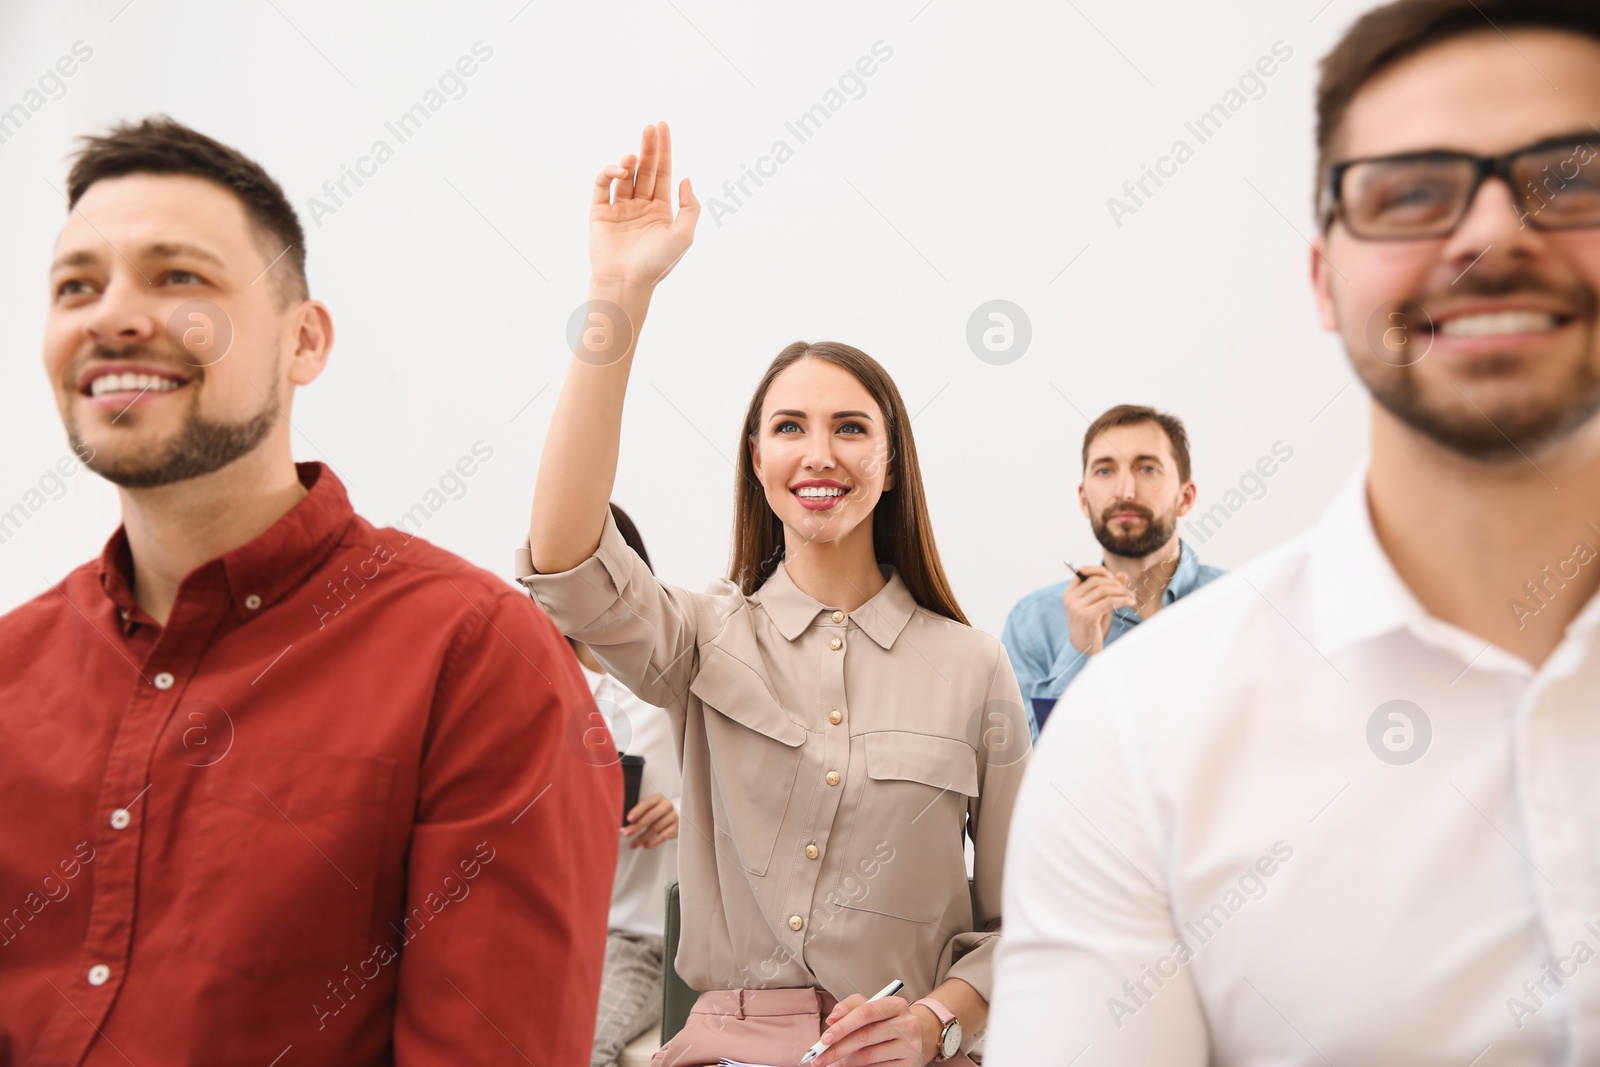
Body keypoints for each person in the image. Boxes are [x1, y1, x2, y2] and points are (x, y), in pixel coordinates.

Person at [987, 1, 1600, 1063]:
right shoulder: (1132, 736)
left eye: (1574, 178)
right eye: (1411, 192)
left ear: (1185, 491)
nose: (1492, 237)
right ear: (1323, 278)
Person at [0, 116, 618, 1066]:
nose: (112, 315)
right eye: (76, 285)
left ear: (305, 341)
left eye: (179, 277)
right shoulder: (12, 668)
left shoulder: (475, 658)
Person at [515, 122, 1030, 1067]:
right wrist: (617, 292)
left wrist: (934, 1022)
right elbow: (568, 557)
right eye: (789, 426)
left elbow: (1022, 922)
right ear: (759, 462)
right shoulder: (703, 636)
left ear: (889, 463)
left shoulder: (974, 667)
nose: (819, 452)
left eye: (849, 427)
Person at [1000, 404, 1223, 740]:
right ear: (1085, 500)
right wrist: (1079, 651)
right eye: (1105, 471)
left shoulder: (1246, 601)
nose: (1125, 492)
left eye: (1147, 469)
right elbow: (1025, 771)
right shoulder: (1032, 622)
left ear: (1185, 497)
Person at [581, 504, 682, 1067]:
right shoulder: (527, 684)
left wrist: (686, 812)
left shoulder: (671, 674)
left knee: (578, 1048)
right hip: (547, 934)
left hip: (637, 942)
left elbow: (765, 789)